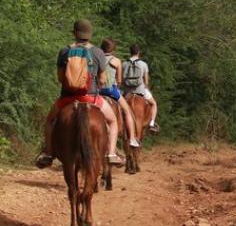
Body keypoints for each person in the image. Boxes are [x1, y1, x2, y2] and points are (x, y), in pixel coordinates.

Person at [35, 19, 124, 168]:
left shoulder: (64, 51)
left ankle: (48, 154)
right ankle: (111, 153)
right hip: (91, 98)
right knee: (113, 121)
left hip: (67, 99)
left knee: (50, 121)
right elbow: (102, 80)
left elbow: (60, 78)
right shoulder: (98, 52)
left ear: (74, 33)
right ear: (90, 34)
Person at [99, 38, 141, 149]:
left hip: (97, 91)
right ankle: (132, 139)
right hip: (111, 91)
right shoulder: (116, 61)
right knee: (127, 110)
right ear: (113, 49)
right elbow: (118, 81)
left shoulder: (97, 58)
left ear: (101, 48)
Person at [122, 44, 160, 132]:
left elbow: (122, 79)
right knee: (154, 104)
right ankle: (152, 124)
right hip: (140, 91)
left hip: (127, 92)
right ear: (139, 52)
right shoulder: (143, 64)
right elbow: (146, 81)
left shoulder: (124, 64)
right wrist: (146, 87)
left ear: (130, 52)